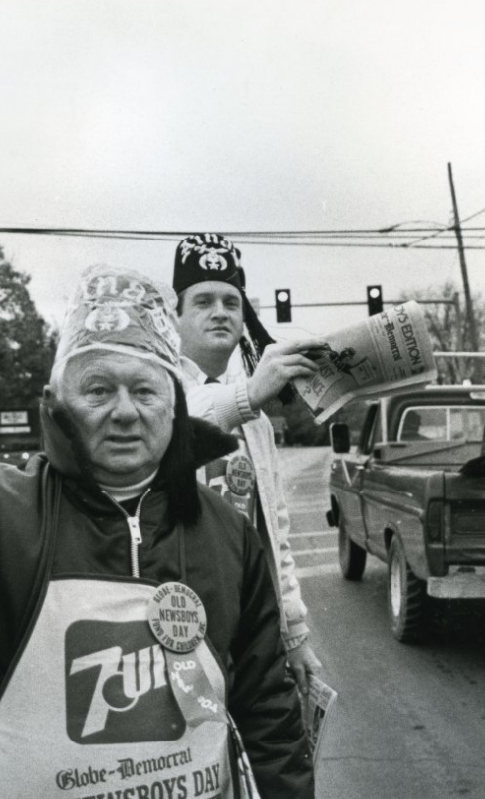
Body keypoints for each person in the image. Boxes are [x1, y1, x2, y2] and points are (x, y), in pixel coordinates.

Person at [0, 265, 314, 798]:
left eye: (144, 390)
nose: (124, 412)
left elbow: (267, 715)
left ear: (174, 405)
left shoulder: (229, 533)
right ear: (56, 401)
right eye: (98, 390)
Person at [171, 233, 326, 693]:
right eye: (202, 301)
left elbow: (275, 529)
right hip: (175, 622)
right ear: (174, 317)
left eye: (231, 302)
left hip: (252, 624)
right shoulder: (154, 387)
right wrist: (249, 396)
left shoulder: (254, 415)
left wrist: (294, 632)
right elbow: (175, 423)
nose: (220, 311)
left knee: (272, 756)